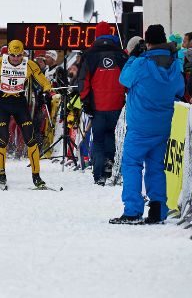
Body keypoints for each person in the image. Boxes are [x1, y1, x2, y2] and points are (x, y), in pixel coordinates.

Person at [112, 25, 185, 224]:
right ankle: (158, 210)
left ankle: (133, 210)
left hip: (139, 127)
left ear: (148, 42)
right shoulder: (174, 64)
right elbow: (179, 89)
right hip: (162, 126)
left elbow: (123, 79)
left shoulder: (141, 63)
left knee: (132, 165)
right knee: (156, 167)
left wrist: (134, 57)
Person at [0, 40, 53, 190]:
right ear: (8, 54)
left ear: (23, 53)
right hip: (2, 104)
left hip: (19, 103)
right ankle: (1, 176)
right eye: (13, 55)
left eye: (19, 56)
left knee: (30, 139)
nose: (16, 59)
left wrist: (46, 92)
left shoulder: (29, 64)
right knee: (3, 138)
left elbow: (45, 82)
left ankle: (36, 177)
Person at [78, 21, 127, 185]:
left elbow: (83, 82)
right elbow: (128, 79)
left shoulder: (90, 55)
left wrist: (86, 101)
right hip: (117, 106)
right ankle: (111, 167)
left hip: (97, 108)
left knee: (98, 140)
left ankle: (98, 175)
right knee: (113, 137)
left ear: (97, 35)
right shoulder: (121, 54)